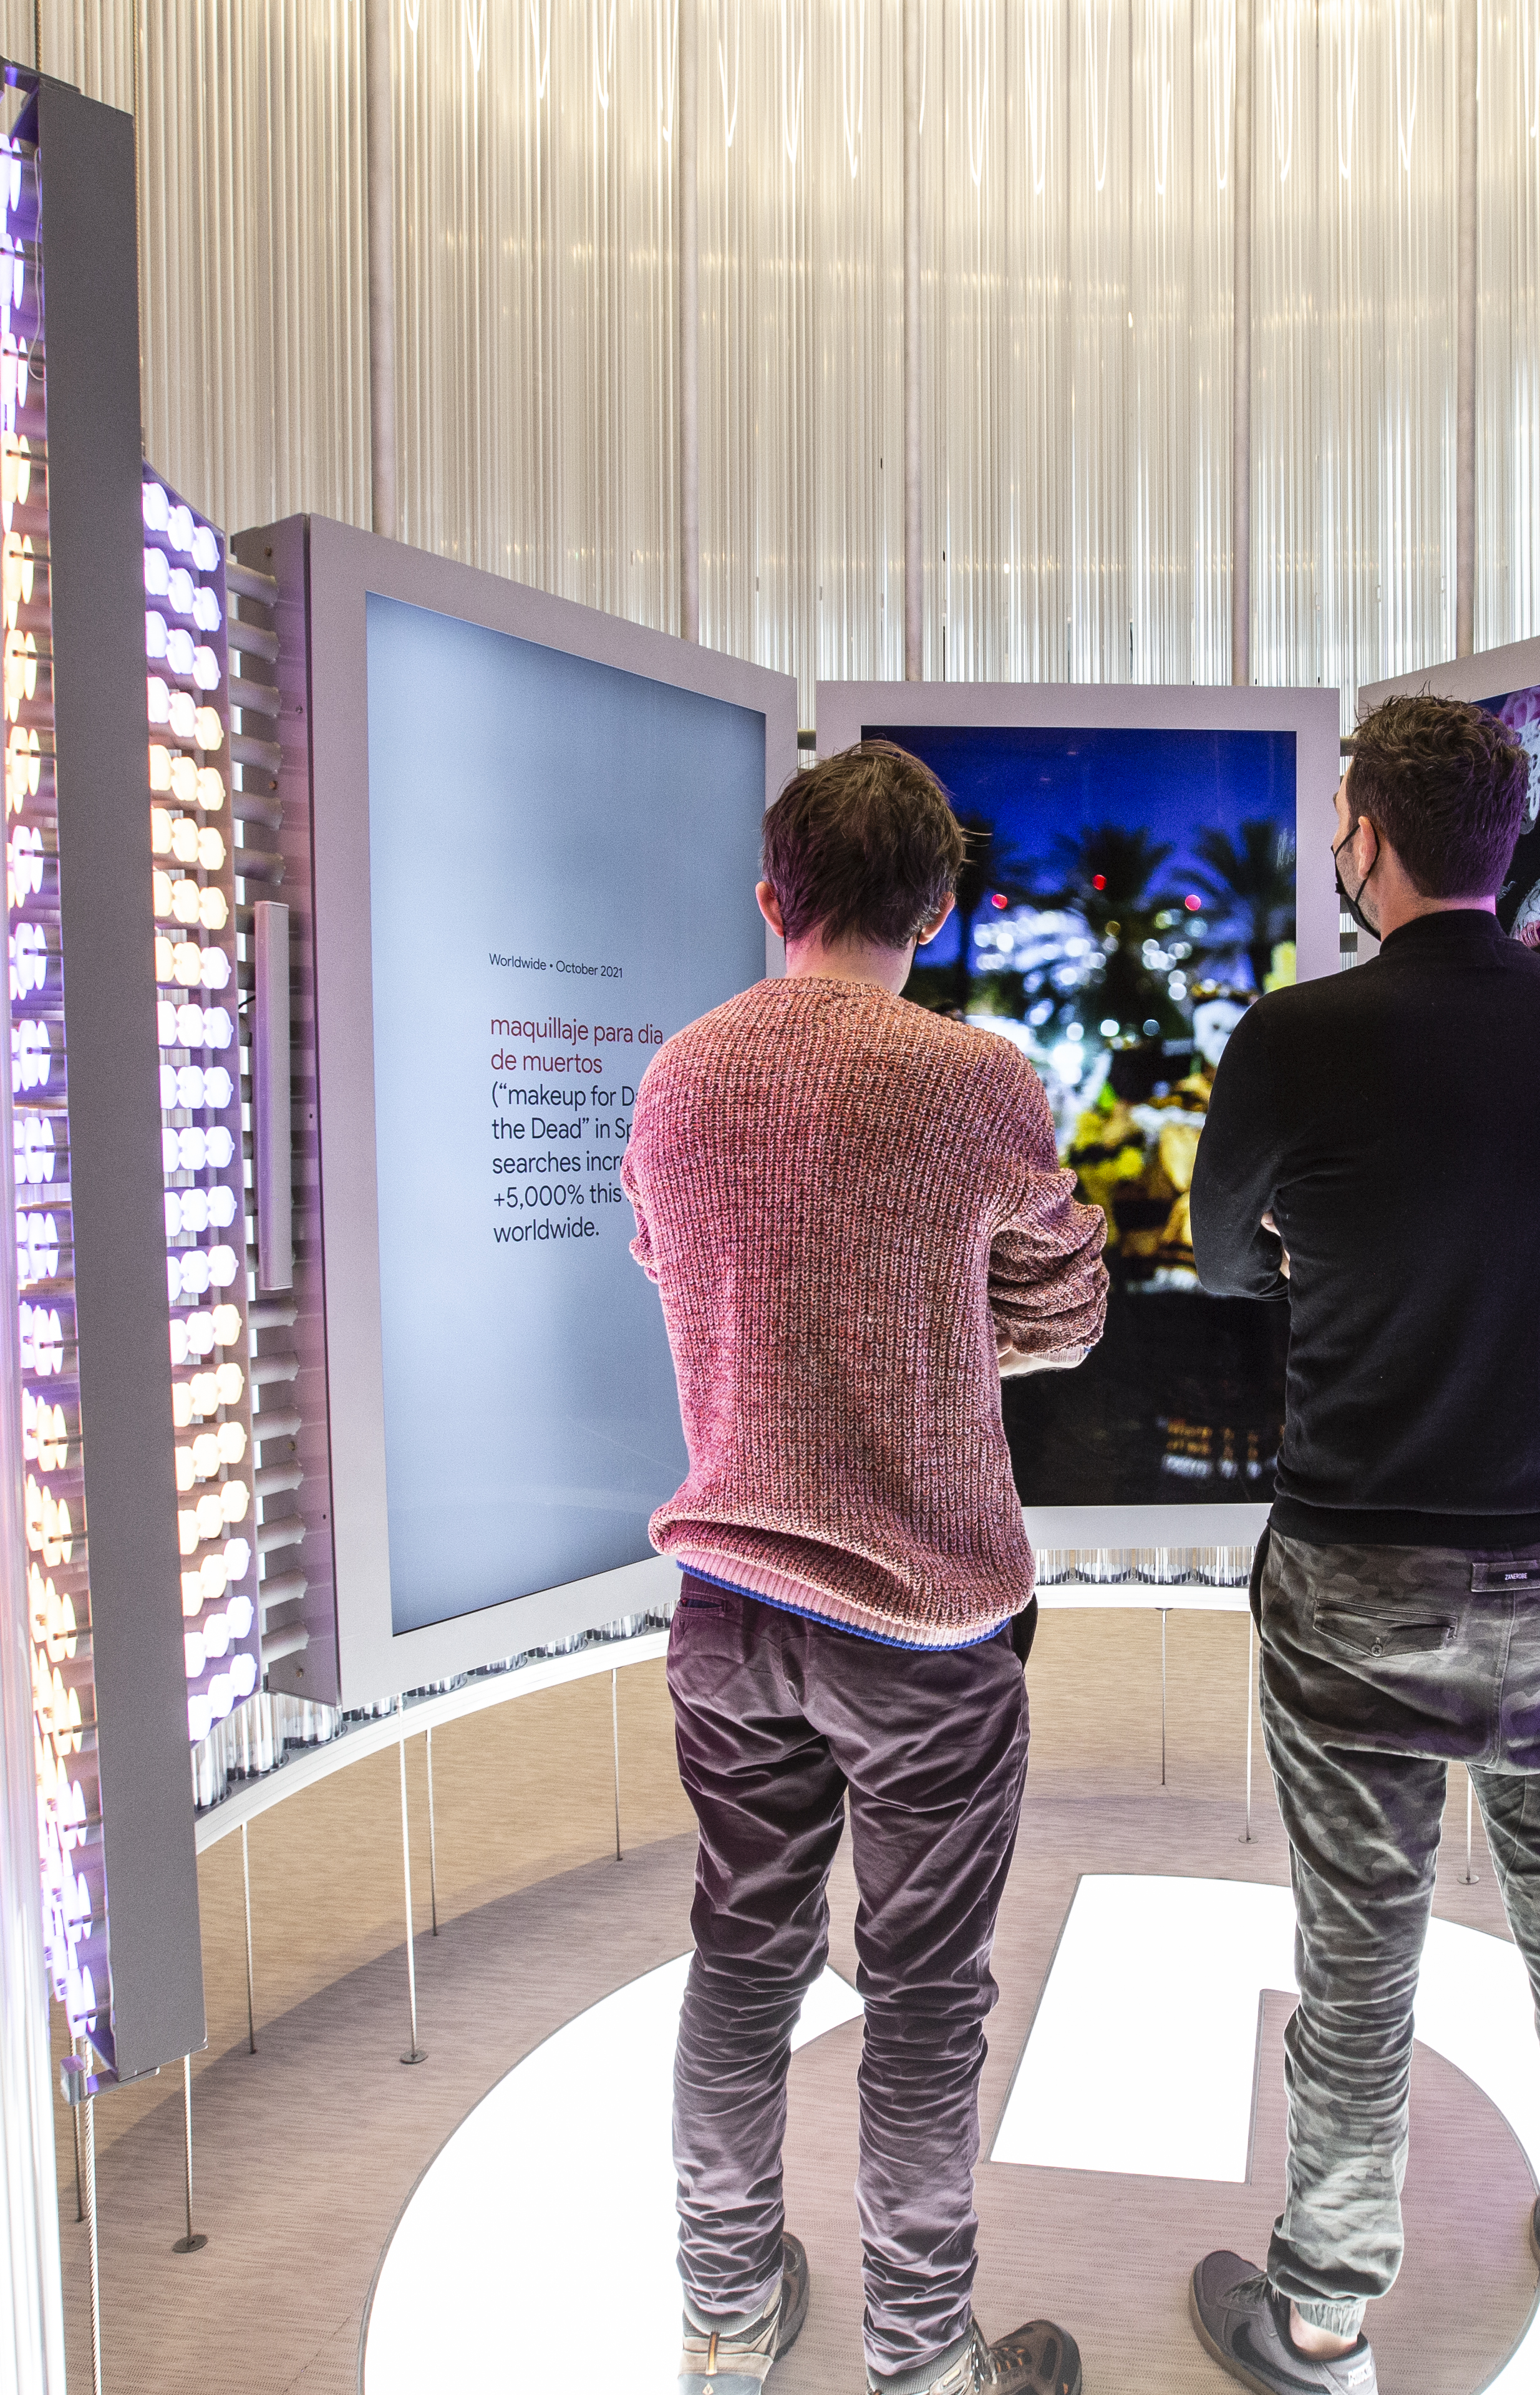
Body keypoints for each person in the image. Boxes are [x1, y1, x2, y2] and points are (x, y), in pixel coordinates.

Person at [1181, 694, 1540, 2391]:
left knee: (1359, 1946)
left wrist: (1330, 1246)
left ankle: (1323, 2311)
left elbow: (1225, 1257)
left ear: (1369, 841)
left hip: (1357, 1564)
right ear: (1506, 847)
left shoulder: (1296, 1038)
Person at [624, 740, 1110, 2395]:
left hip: (727, 1606)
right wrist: (945, 1327)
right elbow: (1063, 1318)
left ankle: (724, 2316)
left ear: (776, 900)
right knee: (921, 2004)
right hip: (923, 1624)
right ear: (941, 907)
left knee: (742, 1958)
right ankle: (920, 2362)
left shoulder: (680, 1078)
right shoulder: (976, 1083)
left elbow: (673, 1270)